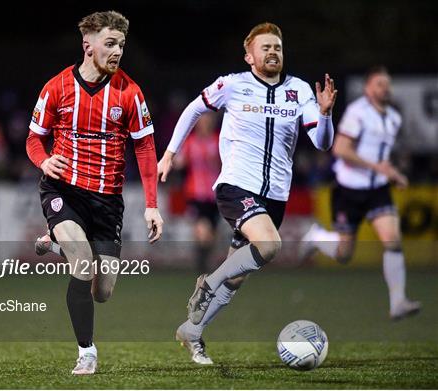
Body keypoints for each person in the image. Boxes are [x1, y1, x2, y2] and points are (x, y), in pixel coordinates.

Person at [157, 22, 337, 364]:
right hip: (237, 184)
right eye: (265, 47)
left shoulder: (299, 90)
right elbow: (194, 108)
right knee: (269, 245)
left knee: (236, 276)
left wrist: (325, 115)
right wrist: (170, 153)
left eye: (277, 47)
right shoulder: (233, 85)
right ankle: (207, 283)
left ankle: (192, 332)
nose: (273, 52)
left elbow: (322, 142)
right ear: (249, 56)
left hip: (276, 196)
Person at [26, 11, 163, 375]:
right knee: (83, 265)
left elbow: (146, 149)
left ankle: (55, 243)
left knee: (102, 291)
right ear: (88, 45)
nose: (117, 50)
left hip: (107, 201)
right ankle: (86, 351)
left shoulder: (130, 93)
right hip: (63, 191)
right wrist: (43, 162)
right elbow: (34, 139)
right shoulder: (56, 87)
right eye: (110, 43)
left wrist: (151, 205)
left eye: (121, 44)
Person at [299, 66, 421, 321]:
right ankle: (316, 236)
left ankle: (398, 301)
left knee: (392, 240)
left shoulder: (393, 118)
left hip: (377, 190)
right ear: (368, 88)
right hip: (348, 189)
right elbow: (341, 149)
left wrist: (394, 173)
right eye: (378, 84)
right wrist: (379, 168)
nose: (384, 88)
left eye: (386, 84)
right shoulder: (358, 113)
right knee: (344, 254)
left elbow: (382, 156)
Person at [173, 112, 221, 273]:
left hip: (215, 194)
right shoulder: (190, 141)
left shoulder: (219, 140)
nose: (205, 124)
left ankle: (204, 263)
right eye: (202, 121)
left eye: (208, 121)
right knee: (202, 229)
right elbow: (179, 162)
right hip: (195, 193)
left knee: (211, 233)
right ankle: (202, 268)